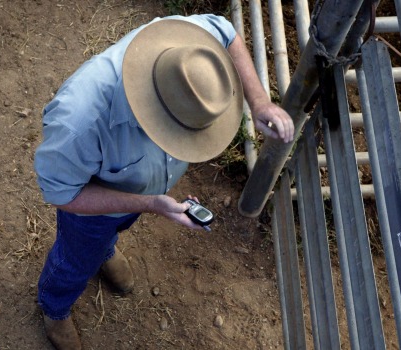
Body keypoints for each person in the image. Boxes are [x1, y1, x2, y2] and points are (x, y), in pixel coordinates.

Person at [34, 14, 294, 349]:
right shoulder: (79, 122)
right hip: (91, 210)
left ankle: (104, 251)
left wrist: (259, 101)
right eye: (174, 130)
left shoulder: (186, 47)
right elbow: (63, 195)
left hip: (138, 197)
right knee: (74, 258)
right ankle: (55, 307)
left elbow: (225, 32)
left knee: (112, 232)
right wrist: (150, 203)